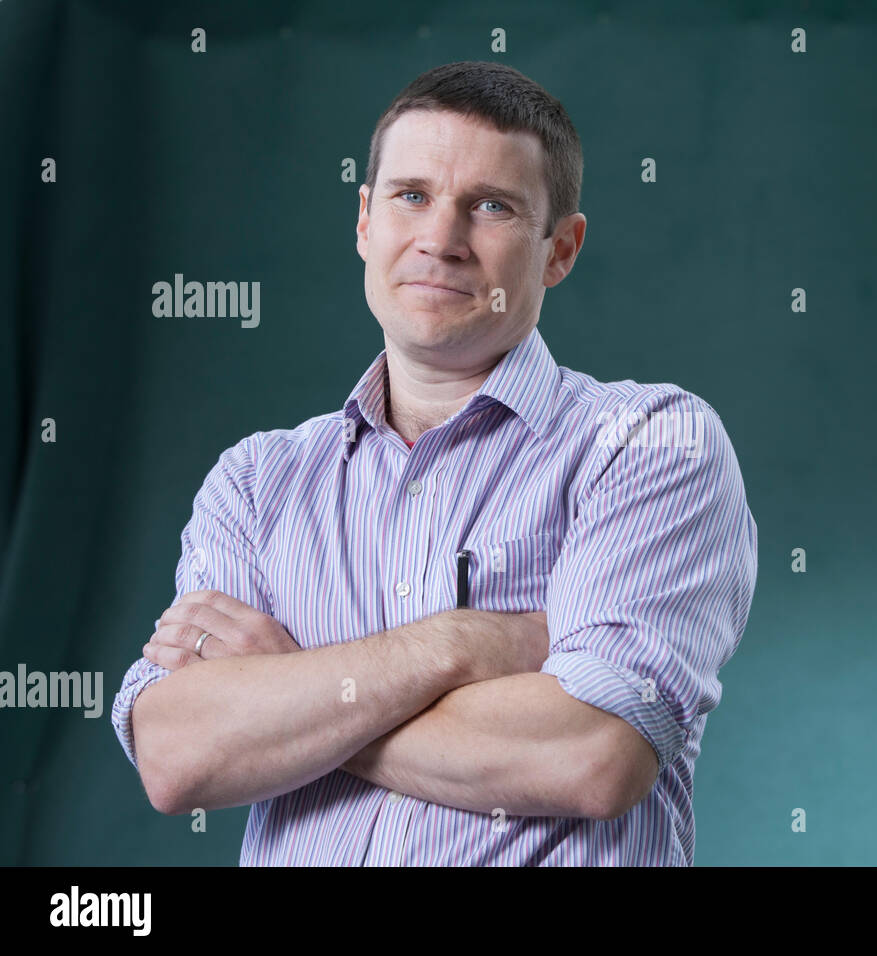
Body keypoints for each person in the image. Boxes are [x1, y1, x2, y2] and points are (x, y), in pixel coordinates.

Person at [111, 60, 758, 866]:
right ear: (363, 221)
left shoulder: (650, 442)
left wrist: (293, 694)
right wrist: (459, 646)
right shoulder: (256, 482)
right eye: (410, 195)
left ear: (561, 249)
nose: (440, 240)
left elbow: (593, 754)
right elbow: (178, 753)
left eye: (491, 206)